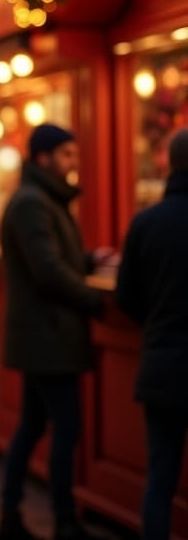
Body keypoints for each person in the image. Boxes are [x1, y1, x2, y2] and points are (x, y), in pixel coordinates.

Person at [0, 123, 109, 540]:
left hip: (45, 336)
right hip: (48, 336)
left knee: (32, 426)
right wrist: (94, 301)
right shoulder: (33, 202)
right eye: (66, 155)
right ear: (43, 158)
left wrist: (88, 259)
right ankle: (63, 520)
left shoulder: (42, 199)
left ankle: (11, 515)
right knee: (66, 428)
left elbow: (52, 258)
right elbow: (47, 271)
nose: (74, 163)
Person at [115, 128, 188, 540]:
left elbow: (126, 297)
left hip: (161, 365)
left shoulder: (146, 222)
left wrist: (156, 321)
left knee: (160, 478)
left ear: (170, 165)